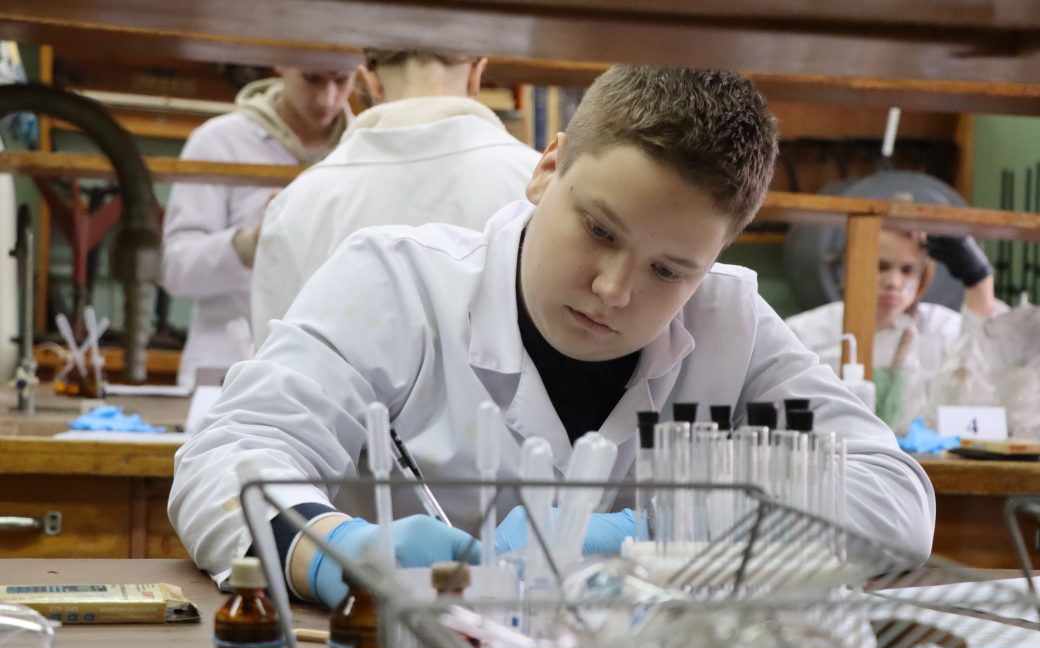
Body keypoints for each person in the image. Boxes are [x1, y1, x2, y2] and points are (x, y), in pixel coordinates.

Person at [169, 65, 935, 608]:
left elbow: (895, 499)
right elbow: (228, 456)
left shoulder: (728, 322)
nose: (614, 288)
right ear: (547, 168)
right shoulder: (397, 283)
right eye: (598, 229)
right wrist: (335, 547)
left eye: (669, 269)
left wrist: (660, 533)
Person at [250, 49, 540, 345]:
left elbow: (274, 358)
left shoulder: (297, 203)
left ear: (370, 80)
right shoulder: (537, 183)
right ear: (476, 75)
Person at [161, 67, 354, 387]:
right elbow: (176, 269)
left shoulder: (364, 148)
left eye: (342, 80)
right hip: (227, 370)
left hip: (332, 375)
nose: (327, 98)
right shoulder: (219, 142)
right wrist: (249, 245)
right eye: (312, 78)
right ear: (282, 65)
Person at [786, 228, 1003, 427]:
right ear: (850, 267)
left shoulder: (940, 329)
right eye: (881, 266)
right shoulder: (805, 333)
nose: (894, 282)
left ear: (923, 276)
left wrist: (980, 283)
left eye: (908, 270)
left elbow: (986, 371)